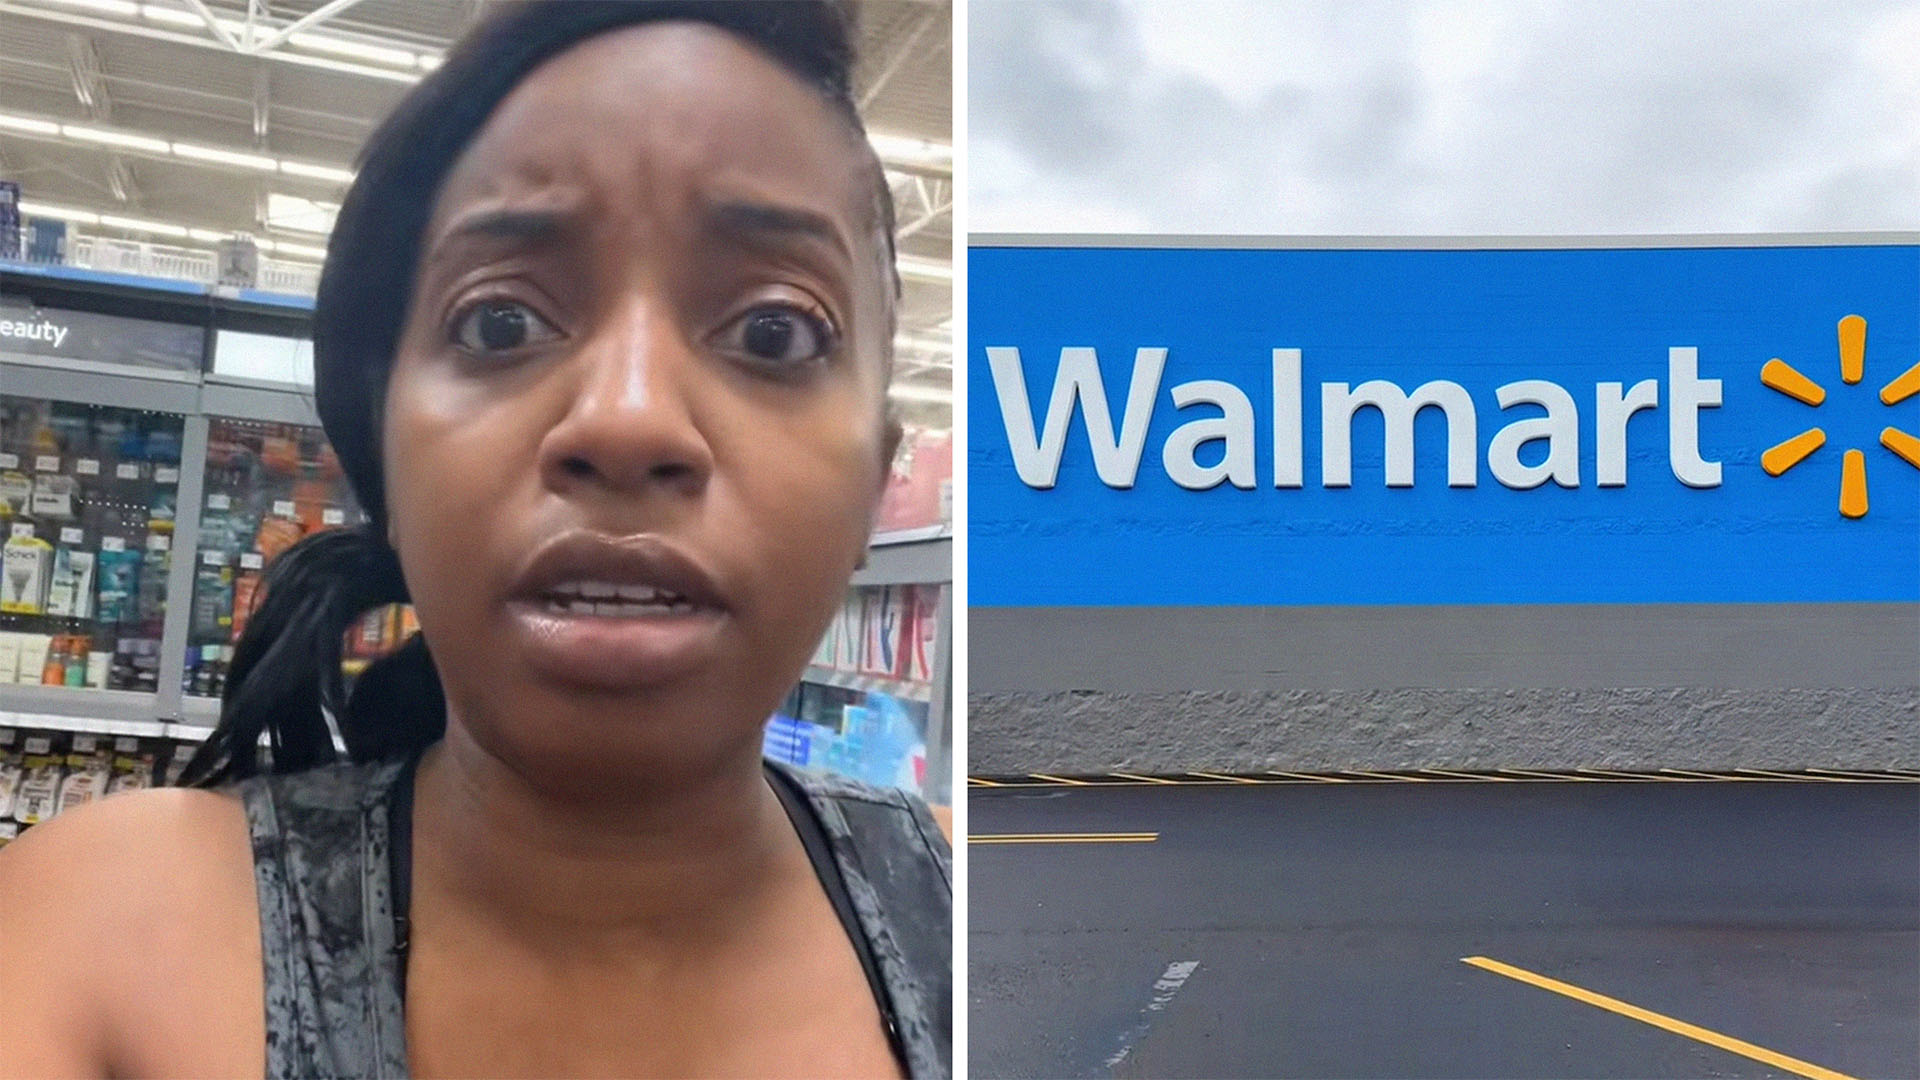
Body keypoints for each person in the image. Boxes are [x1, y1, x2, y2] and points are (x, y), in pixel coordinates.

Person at [0, 2, 951, 1076]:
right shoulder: (104, 940)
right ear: (385, 456)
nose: (627, 419)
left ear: (878, 480)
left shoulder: (990, 917)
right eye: (500, 322)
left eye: (773, 330)